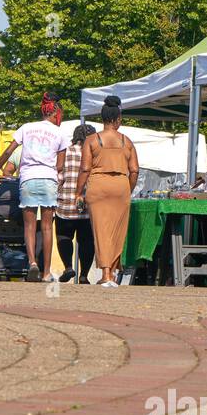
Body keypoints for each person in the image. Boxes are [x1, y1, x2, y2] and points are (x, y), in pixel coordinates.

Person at [0, 91, 69, 282]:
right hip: (49, 179)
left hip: (28, 179)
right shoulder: (60, 133)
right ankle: (46, 272)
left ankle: (32, 263)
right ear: (56, 111)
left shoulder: (26, 127)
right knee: (48, 226)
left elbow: (8, 151)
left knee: (29, 226)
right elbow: (60, 166)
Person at [77, 95, 139, 288]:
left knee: (101, 229)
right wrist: (127, 188)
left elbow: (85, 169)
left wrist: (79, 192)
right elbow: (135, 170)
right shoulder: (126, 141)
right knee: (118, 231)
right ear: (118, 119)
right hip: (121, 185)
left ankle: (105, 275)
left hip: (98, 186)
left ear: (103, 118)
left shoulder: (92, 140)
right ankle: (111, 272)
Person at [56, 123, 96, 284]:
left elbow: (58, 175)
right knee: (86, 240)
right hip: (87, 205)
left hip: (66, 204)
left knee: (63, 235)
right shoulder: (94, 154)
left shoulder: (65, 152)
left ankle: (68, 267)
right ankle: (84, 275)